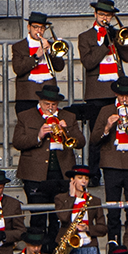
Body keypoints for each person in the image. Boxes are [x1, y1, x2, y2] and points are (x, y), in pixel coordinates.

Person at [14, 89, 81, 244]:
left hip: (61, 174)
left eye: (53, 105)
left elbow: (81, 141)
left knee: (58, 217)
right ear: (40, 102)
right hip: (35, 175)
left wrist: (67, 131)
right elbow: (17, 142)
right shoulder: (26, 116)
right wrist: (38, 135)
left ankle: (55, 251)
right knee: (38, 216)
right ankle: (38, 251)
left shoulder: (68, 117)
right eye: (46, 104)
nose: (50, 108)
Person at [78, 0, 128, 160]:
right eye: (102, 14)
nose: (105, 18)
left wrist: (119, 40)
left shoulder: (116, 34)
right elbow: (88, 63)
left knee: (118, 130)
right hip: (96, 93)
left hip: (116, 91)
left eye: (109, 15)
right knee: (97, 132)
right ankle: (95, 174)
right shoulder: (85, 37)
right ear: (95, 14)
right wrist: (104, 45)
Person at [93, 78, 128, 236]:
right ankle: (113, 244)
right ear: (115, 94)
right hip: (112, 164)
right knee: (113, 210)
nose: (124, 99)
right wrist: (107, 127)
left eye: (127, 96)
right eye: (121, 96)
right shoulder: (106, 111)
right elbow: (94, 140)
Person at [11, 12, 65, 115]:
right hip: (27, 95)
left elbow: (59, 67)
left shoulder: (51, 44)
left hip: (48, 95)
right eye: (35, 27)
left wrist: (50, 51)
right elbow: (18, 69)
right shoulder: (19, 46)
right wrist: (35, 56)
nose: (38, 31)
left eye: (42, 28)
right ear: (28, 27)